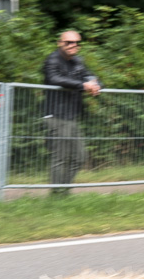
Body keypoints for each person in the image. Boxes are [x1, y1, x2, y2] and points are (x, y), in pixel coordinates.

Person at [41, 30, 101, 196]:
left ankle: (63, 190)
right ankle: (58, 194)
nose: (73, 45)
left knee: (80, 157)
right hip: (55, 115)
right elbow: (55, 79)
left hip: (72, 116)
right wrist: (83, 86)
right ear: (60, 43)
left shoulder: (77, 61)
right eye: (68, 42)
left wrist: (95, 85)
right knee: (60, 157)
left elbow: (90, 76)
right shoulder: (52, 59)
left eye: (76, 42)